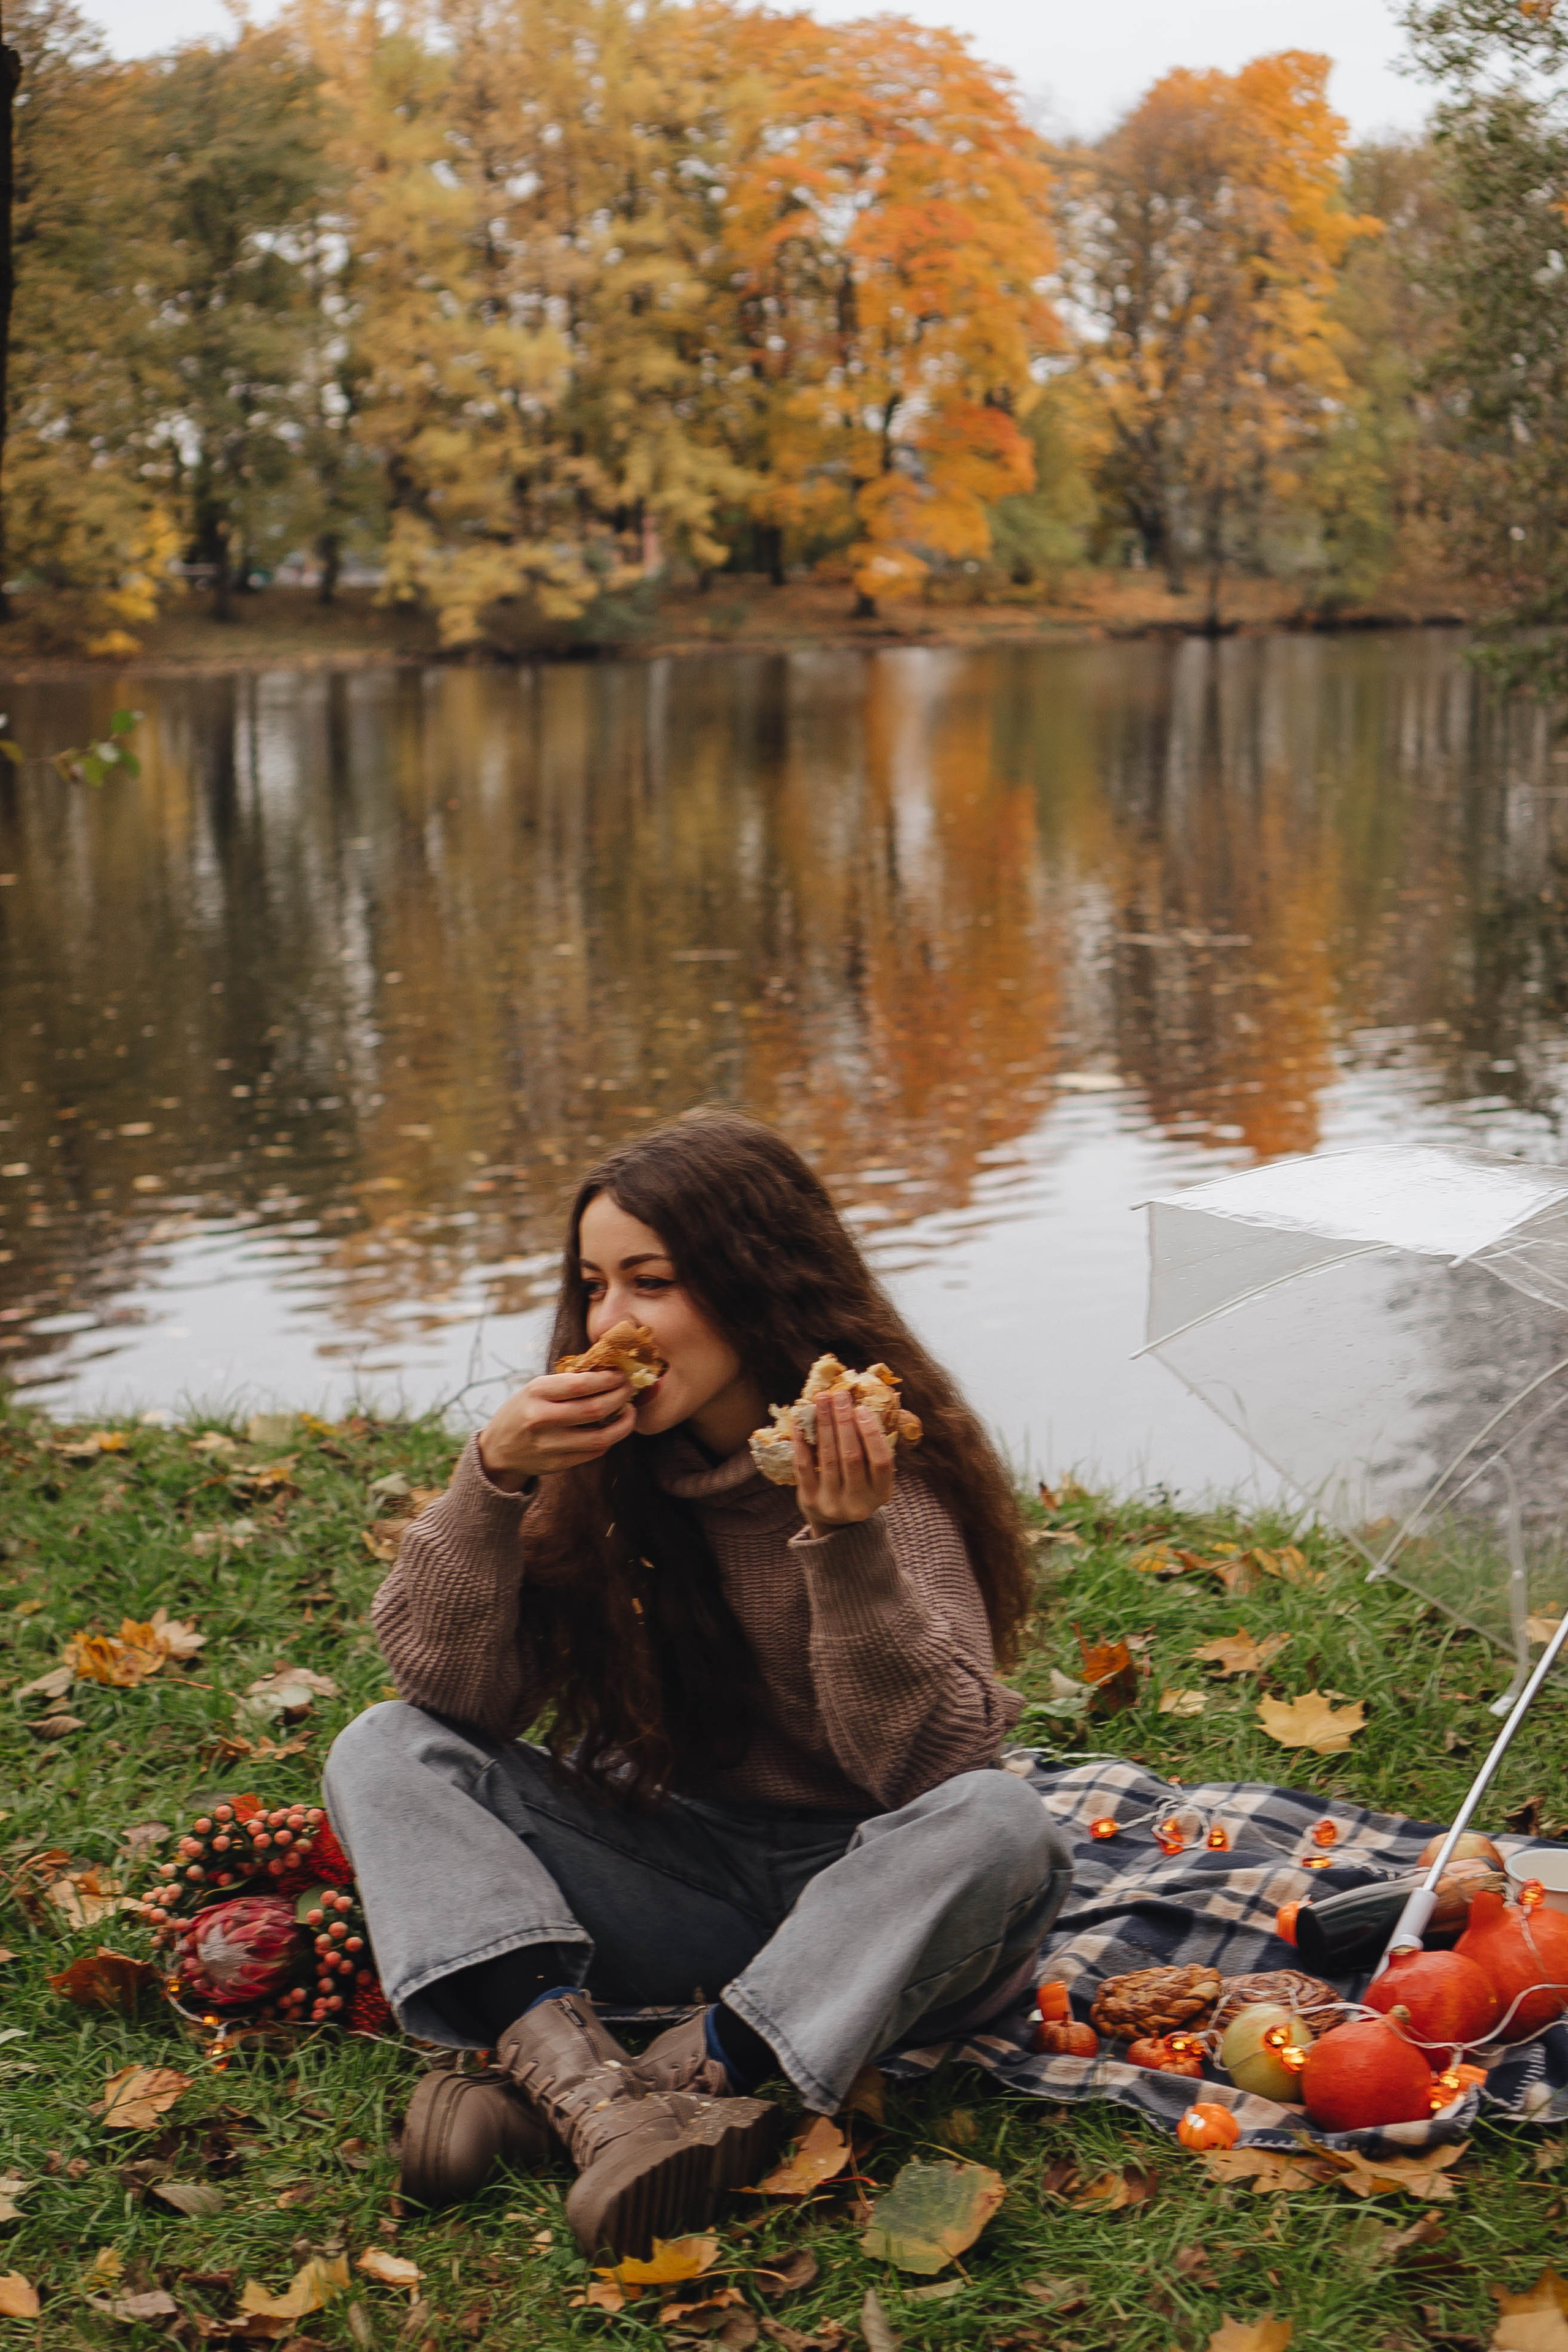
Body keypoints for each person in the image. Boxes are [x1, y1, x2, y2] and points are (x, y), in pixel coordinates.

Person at [325, 1110, 1072, 2258]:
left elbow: (929, 1770)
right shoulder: (597, 1469)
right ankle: (595, 2091)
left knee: (1004, 1820)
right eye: (594, 1286)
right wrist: (493, 1484)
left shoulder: (879, 1469)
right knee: (385, 1745)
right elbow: (451, 1695)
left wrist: (848, 1543)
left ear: (752, 1285)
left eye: (652, 1283)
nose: (610, 1323)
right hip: (682, 1877)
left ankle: (671, 2079)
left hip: (874, 1917)